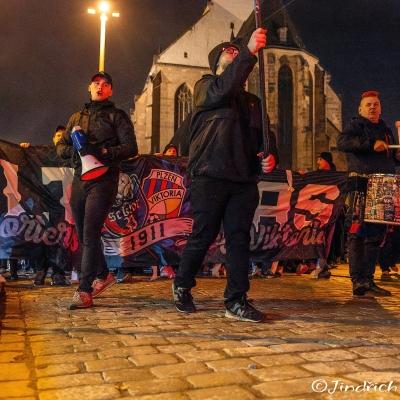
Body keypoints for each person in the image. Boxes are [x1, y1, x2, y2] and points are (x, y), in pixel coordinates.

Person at [172, 28, 278, 322]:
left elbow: (266, 139)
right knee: (203, 235)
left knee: (239, 239)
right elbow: (222, 89)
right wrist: (248, 52)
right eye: (228, 51)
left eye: (237, 51)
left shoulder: (254, 102)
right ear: (216, 63)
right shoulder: (205, 87)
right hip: (210, 175)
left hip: (243, 180)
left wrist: (271, 156)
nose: (234, 52)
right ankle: (182, 285)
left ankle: (236, 299)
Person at [56, 71, 138, 309]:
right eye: (95, 83)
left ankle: (84, 290)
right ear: (89, 88)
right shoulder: (76, 117)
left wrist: (102, 152)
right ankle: (103, 274)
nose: (100, 87)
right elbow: (60, 147)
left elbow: (131, 147)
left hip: (105, 180)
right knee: (83, 234)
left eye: (105, 84)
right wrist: (76, 150)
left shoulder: (117, 116)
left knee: (90, 233)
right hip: (81, 179)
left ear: (111, 90)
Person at [337, 90, 400, 296]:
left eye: (376, 104)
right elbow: (342, 143)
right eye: (369, 104)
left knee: (376, 234)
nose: (373, 107)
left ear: (381, 108)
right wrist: (371, 145)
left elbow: (391, 158)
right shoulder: (355, 126)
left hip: (382, 186)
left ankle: (368, 279)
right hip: (361, 183)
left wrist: (397, 155)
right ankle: (358, 281)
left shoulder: (385, 129)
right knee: (357, 232)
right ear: (360, 109)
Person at [20, 126, 70, 286]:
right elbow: (27, 169)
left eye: (63, 135)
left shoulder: (71, 154)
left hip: (61, 206)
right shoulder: (42, 154)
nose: (60, 137)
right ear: (53, 138)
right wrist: (25, 152)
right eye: (58, 135)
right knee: (41, 239)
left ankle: (58, 273)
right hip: (43, 205)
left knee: (60, 240)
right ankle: (41, 270)